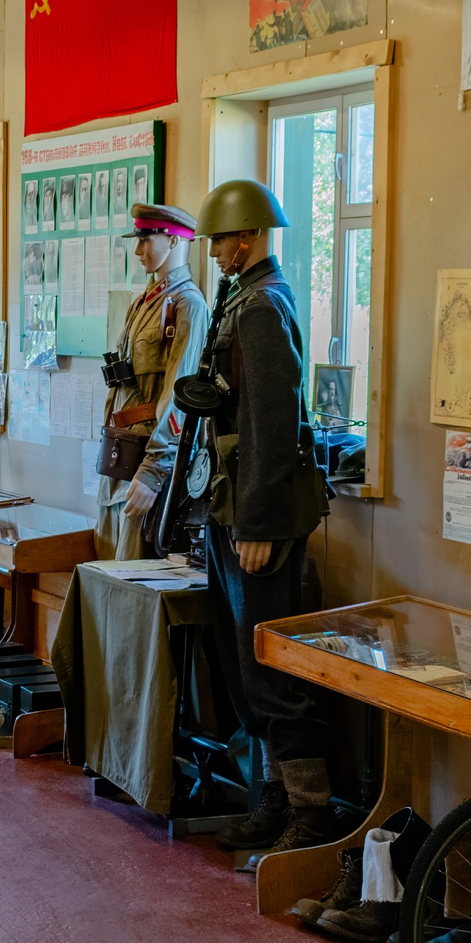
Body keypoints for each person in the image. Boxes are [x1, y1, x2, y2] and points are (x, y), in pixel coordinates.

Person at [170, 180, 336, 856]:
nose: (213, 253)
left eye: (221, 240)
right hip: (231, 507)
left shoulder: (263, 308)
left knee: (269, 667)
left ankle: (311, 817)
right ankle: (273, 800)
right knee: (244, 666)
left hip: (257, 515)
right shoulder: (244, 300)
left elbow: (274, 426)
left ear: (252, 237)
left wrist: (262, 526)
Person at [99, 202, 208, 560]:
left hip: (147, 466)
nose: (138, 249)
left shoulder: (188, 306)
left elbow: (180, 398)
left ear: (174, 241)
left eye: (147, 239)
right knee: (107, 571)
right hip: (120, 458)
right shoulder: (143, 303)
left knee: (132, 576)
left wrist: (154, 471)